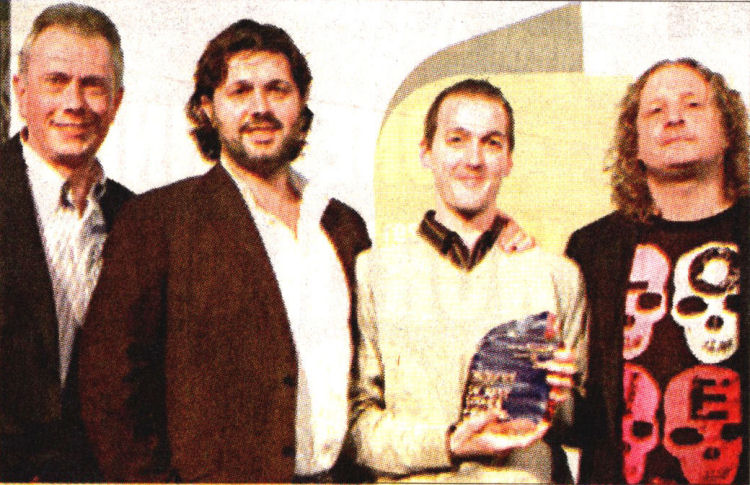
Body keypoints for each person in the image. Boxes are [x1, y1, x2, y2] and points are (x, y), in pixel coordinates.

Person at [351, 79, 587, 482]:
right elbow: (355, 431)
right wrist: (447, 444)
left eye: (492, 143)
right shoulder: (373, 273)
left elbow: (581, 429)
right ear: (426, 153)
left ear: (509, 160)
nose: (474, 159)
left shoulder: (557, 276)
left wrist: (560, 399)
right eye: (456, 139)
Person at [566, 58, 750, 484]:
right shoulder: (592, 249)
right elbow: (578, 410)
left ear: (728, 131)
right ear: (634, 144)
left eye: (693, 104)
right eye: (655, 110)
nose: (674, 118)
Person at [0, 3, 133, 481]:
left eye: (93, 85)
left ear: (116, 101)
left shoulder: (136, 219)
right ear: (21, 92)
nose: (74, 102)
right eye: (56, 81)